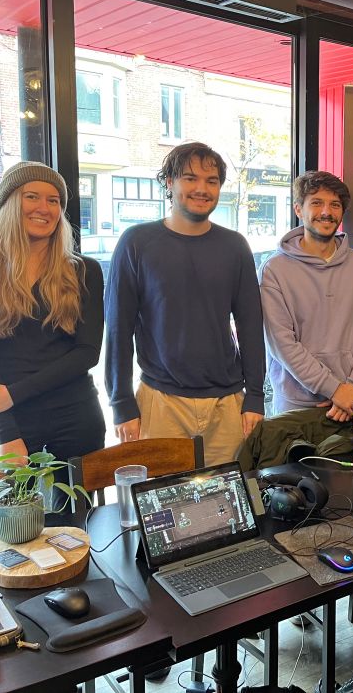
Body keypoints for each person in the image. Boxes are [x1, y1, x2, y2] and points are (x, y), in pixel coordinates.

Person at [105, 142, 265, 466]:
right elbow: (118, 328)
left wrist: (256, 397)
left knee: (229, 506)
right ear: (169, 183)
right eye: (190, 178)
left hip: (227, 402)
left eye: (212, 181)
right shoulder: (136, 243)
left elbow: (250, 325)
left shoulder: (235, 247)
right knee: (162, 511)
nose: (201, 189)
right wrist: (121, 402)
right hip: (160, 400)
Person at [0, 161, 105, 478]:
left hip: (74, 417)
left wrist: (10, 395)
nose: (45, 208)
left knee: (75, 525)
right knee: (6, 523)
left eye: (54, 201)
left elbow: (87, 353)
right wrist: (6, 432)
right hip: (5, 421)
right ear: (11, 203)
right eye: (32, 197)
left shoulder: (83, 271)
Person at [260, 170, 353, 421]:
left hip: (352, 403)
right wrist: (334, 388)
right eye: (316, 203)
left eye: (334, 205)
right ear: (298, 210)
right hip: (295, 408)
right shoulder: (274, 270)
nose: (326, 212)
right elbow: (282, 344)